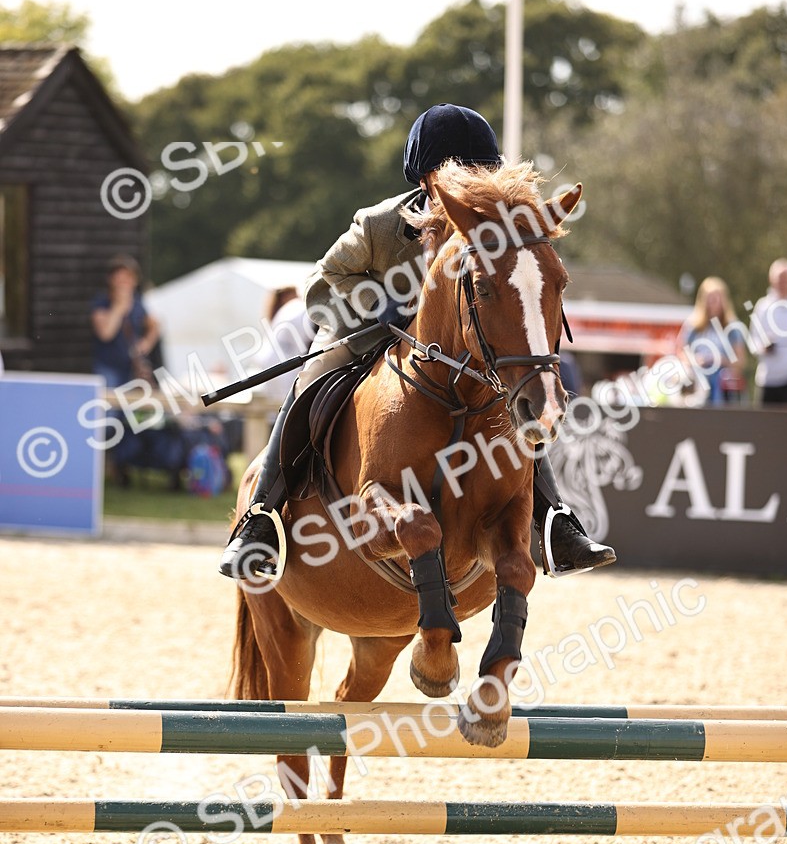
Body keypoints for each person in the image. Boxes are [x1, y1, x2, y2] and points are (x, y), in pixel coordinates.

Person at [219, 104, 616, 581]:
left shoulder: (498, 230)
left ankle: (556, 522)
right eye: (462, 174)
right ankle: (261, 518)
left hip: (453, 354)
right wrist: (382, 306)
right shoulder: (380, 224)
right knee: (309, 383)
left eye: (483, 172)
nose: (475, 185)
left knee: (514, 400)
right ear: (428, 179)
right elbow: (323, 282)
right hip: (364, 335)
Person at [90, 254, 161, 389]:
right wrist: (118, 308)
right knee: (108, 400)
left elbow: (155, 325)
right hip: (108, 368)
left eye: (127, 278)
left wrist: (146, 343)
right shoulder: (101, 303)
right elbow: (105, 333)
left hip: (131, 370)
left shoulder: (138, 303)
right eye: (119, 278)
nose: (123, 283)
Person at [677, 277, 748, 405]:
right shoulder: (693, 326)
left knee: (720, 377)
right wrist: (695, 360)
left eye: (717, 298)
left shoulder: (732, 328)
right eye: (709, 298)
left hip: (722, 381)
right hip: (697, 378)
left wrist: (722, 360)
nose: (713, 302)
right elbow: (681, 353)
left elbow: (741, 361)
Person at [750, 258, 787, 407]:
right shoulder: (762, 306)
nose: (782, 283)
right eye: (779, 279)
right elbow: (753, 338)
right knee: (765, 421)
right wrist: (763, 347)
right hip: (768, 379)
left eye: (786, 279)